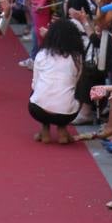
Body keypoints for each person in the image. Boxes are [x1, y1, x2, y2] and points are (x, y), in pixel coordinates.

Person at [28, 17, 83, 145]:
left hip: (38, 110)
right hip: (66, 113)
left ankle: (45, 130)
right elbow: (75, 84)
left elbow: (35, 84)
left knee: (38, 91)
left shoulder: (42, 54)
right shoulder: (77, 58)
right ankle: (62, 130)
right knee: (71, 93)